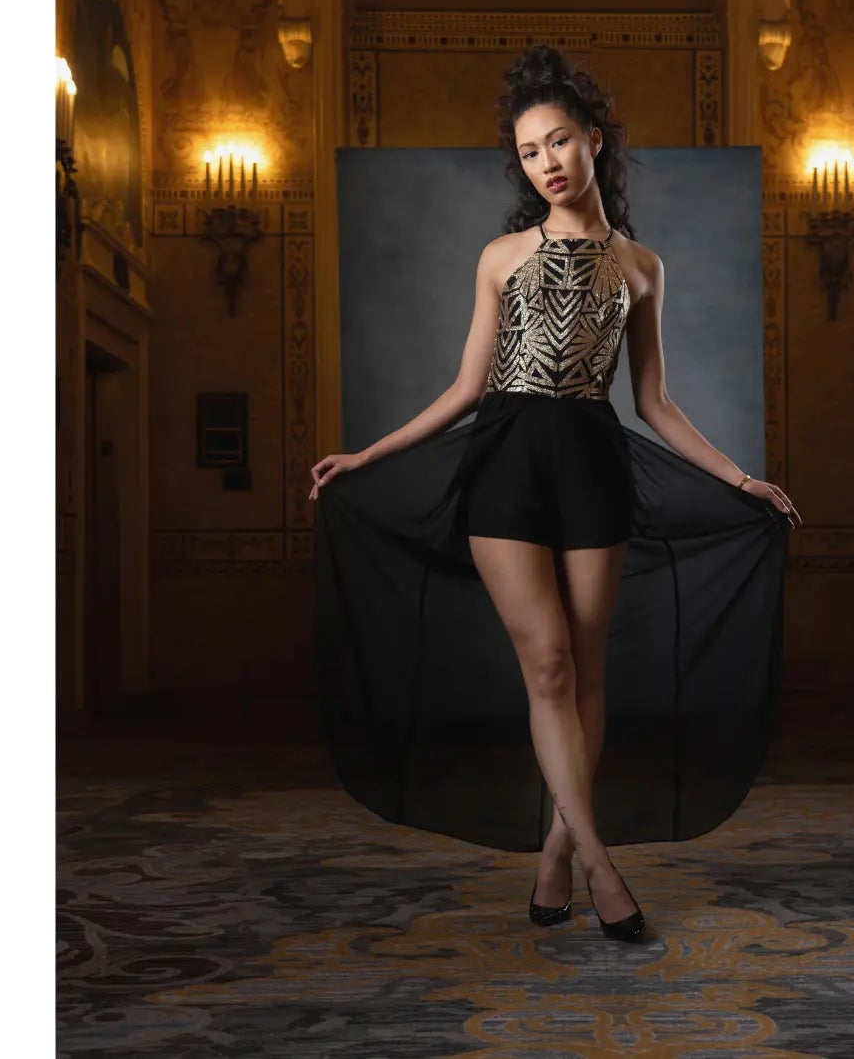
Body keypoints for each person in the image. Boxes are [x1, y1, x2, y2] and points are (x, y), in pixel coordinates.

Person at [309, 46, 800, 943]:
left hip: (592, 461)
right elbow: (464, 388)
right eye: (531, 151)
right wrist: (367, 455)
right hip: (503, 459)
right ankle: (601, 862)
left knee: (588, 667)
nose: (547, 162)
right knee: (546, 665)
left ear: (592, 141)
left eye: (560, 141)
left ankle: (554, 853)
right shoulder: (499, 256)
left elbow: (653, 401)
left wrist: (738, 477)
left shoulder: (643, 266)